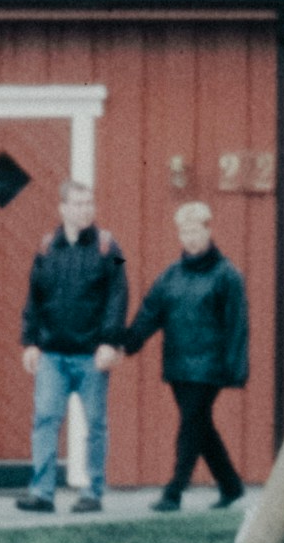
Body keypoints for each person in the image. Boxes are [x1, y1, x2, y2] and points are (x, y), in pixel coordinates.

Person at [114, 200, 250, 510]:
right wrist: (128, 342)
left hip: (209, 367)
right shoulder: (170, 276)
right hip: (178, 364)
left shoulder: (227, 275)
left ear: (208, 230)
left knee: (191, 423)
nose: (190, 238)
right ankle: (231, 485)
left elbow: (237, 325)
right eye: (184, 231)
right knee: (201, 425)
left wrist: (235, 368)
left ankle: (174, 491)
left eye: (195, 230)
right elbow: (150, 313)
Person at [15, 177, 133, 514]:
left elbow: (118, 295)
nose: (85, 210)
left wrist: (111, 341)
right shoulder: (45, 248)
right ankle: (42, 493)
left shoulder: (110, 248)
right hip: (52, 353)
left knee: (95, 424)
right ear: (63, 208)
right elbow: (34, 297)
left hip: (91, 354)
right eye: (78, 204)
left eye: (89, 203)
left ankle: (92, 491)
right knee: (46, 420)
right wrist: (30, 342)